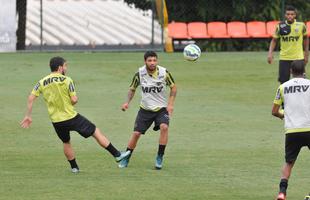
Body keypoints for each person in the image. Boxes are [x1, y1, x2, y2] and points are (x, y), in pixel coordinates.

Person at [20, 56, 130, 173]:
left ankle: (74, 168)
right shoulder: (67, 80)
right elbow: (74, 100)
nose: (66, 68)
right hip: (71, 117)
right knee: (95, 131)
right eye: (65, 66)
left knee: (66, 142)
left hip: (56, 121)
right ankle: (117, 155)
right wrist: (73, 100)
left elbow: (31, 97)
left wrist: (28, 115)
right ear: (60, 67)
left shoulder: (42, 82)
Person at [119, 51, 177, 170]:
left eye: (154, 60)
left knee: (164, 127)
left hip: (161, 109)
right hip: (145, 109)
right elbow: (132, 89)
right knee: (136, 134)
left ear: (157, 61)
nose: (152, 63)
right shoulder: (139, 74)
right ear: (145, 61)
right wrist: (127, 102)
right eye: (150, 60)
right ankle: (126, 157)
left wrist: (170, 104)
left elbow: (174, 88)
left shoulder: (164, 72)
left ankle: (159, 156)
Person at [272, 60, 310, 200]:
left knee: (289, 162)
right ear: (304, 71)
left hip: (292, 130)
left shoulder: (283, 87)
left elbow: (274, 111)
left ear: (291, 72)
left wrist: (284, 116)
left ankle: (282, 192)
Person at [267, 5, 309, 84]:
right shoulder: (280, 26)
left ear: (295, 15)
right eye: (288, 14)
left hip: (298, 58)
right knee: (283, 83)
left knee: (301, 82)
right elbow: (274, 40)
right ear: (285, 15)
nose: (290, 16)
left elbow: (306, 38)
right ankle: (283, 97)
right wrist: (270, 53)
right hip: (284, 58)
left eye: (292, 14)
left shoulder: (301, 26)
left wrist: (306, 53)